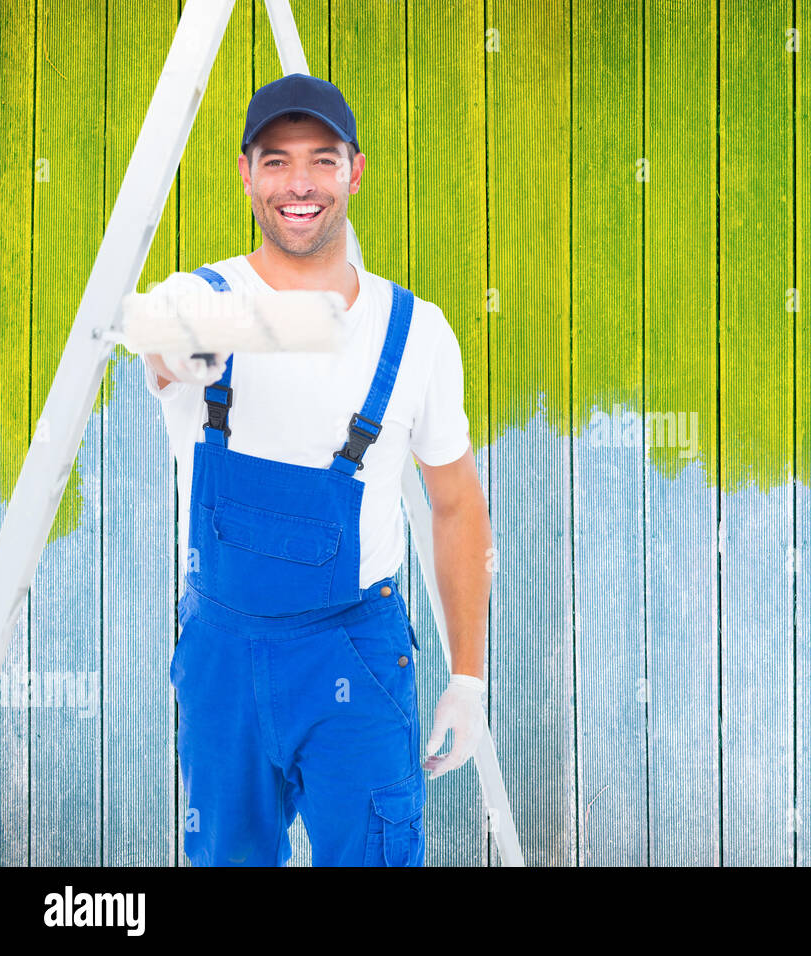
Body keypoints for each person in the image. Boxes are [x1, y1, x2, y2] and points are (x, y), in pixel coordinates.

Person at [141, 73, 491, 866]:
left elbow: (457, 504)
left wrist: (467, 678)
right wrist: (194, 342)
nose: (299, 183)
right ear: (246, 174)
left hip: (355, 658)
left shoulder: (419, 334)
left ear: (354, 171)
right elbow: (159, 346)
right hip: (223, 657)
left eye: (321, 160)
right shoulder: (200, 296)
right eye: (276, 160)